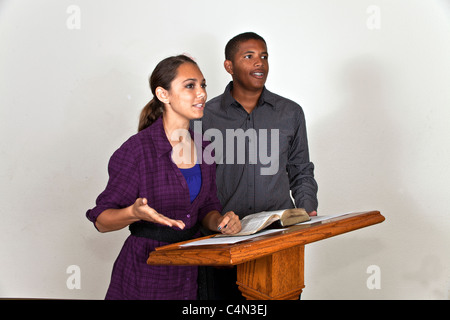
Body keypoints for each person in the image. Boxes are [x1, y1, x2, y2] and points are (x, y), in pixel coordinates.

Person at [86, 55, 241, 300]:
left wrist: (221, 221)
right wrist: (133, 213)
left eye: (203, 85)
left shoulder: (205, 147)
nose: (201, 93)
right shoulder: (136, 151)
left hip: (195, 270)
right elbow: (102, 221)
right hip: (147, 275)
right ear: (163, 94)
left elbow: (207, 208)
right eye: (190, 86)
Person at [194, 32, 318, 299]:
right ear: (229, 66)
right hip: (224, 241)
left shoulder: (291, 112)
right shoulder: (204, 116)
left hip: (279, 238)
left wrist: (307, 208)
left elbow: (300, 168)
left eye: (263, 56)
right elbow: (195, 180)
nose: (259, 63)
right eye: (248, 56)